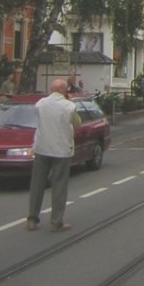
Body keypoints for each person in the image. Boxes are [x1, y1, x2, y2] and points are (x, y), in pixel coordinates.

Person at [26, 78, 82, 232]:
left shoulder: (40, 104)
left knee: (37, 184)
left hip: (42, 148)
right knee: (59, 186)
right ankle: (57, 221)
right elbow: (77, 124)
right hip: (61, 150)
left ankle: (32, 219)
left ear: (51, 89)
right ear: (64, 90)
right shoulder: (69, 106)